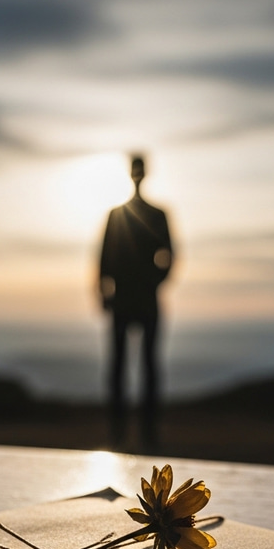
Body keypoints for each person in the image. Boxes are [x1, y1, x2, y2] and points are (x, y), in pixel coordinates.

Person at [99, 154, 173, 450]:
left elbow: (169, 256)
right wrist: (104, 292)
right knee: (120, 366)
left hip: (143, 299)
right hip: (126, 300)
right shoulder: (119, 214)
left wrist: (154, 282)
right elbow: (104, 257)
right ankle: (119, 431)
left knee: (148, 367)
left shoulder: (155, 214)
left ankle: (147, 432)